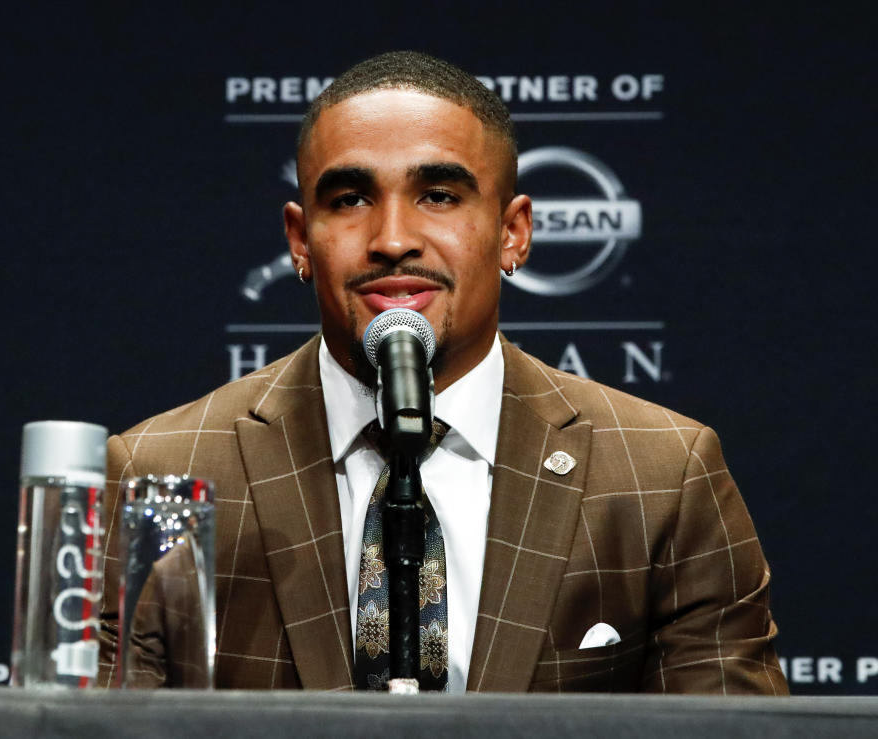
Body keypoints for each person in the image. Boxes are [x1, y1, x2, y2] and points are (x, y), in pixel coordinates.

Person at [97, 51, 787, 694]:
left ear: (513, 231)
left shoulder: (662, 476)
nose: (393, 237)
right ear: (300, 240)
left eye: (438, 195)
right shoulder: (164, 470)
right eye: (349, 199)